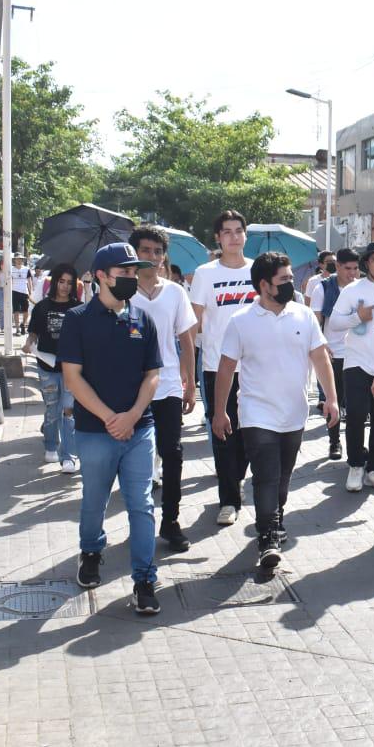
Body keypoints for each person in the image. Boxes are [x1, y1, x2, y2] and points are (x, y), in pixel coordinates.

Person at [213, 251, 337, 569]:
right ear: (264, 285)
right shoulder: (241, 321)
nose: (290, 284)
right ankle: (267, 533)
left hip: (294, 412)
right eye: (283, 279)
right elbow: (226, 369)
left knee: (282, 478)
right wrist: (219, 412)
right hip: (256, 412)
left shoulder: (304, 315)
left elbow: (321, 357)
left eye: (290, 278)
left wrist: (332, 399)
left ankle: (274, 515)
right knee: (266, 476)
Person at [58, 242, 163, 615]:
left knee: (142, 505)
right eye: (124, 272)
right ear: (100, 276)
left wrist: (133, 415)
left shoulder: (142, 319)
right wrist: (109, 418)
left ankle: (145, 580)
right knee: (94, 500)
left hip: (139, 429)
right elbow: (73, 379)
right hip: (94, 430)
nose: (132, 279)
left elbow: (152, 375)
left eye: (135, 272)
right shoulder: (77, 320)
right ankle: (91, 551)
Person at [128, 225, 198, 552]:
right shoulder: (121, 292)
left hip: (169, 385)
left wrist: (191, 384)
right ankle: (139, 523)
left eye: (158, 252)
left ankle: (170, 521)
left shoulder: (175, 292)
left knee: (172, 453)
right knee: (135, 460)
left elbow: (186, 339)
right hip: (130, 388)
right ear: (134, 254)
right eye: (146, 251)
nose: (153, 258)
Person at [188, 210, 256, 526]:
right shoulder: (205, 274)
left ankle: (236, 480)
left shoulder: (259, 271)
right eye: (226, 231)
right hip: (217, 365)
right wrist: (187, 369)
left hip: (257, 367)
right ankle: (227, 499)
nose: (233, 236)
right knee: (223, 431)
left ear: (245, 235)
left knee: (249, 432)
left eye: (238, 230)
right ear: (218, 237)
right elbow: (193, 323)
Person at [329, 241, 374, 494]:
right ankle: (356, 465)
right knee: (357, 415)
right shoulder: (353, 290)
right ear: (366, 263)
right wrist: (358, 317)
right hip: (357, 363)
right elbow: (334, 323)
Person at [24, 263, 84, 474]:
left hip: (71, 368)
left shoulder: (79, 309)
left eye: (70, 283)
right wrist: (29, 343)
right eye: (62, 281)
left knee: (69, 409)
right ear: (55, 282)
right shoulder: (42, 307)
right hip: (46, 366)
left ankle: (68, 456)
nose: (65, 286)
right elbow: (34, 332)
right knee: (52, 408)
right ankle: (50, 445)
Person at [310, 247, 357, 461]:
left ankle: (356, 447)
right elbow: (316, 321)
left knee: (356, 405)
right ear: (337, 266)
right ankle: (334, 442)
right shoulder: (323, 288)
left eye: (356, 268)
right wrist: (321, 345)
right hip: (333, 353)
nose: (352, 273)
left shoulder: (361, 288)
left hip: (358, 354)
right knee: (333, 400)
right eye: (347, 268)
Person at [9, 254, 32, 334]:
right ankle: (17, 328)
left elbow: (29, 281)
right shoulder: (11, 269)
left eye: (20, 259)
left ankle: (23, 324)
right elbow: (9, 280)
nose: (19, 261)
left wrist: (30, 291)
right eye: (17, 259)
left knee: (26, 311)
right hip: (14, 291)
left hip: (24, 292)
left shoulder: (26, 269)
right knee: (16, 311)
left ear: (22, 260)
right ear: (14, 260)